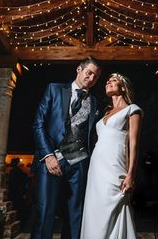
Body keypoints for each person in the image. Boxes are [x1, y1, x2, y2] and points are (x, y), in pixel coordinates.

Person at [31, 57, 102, 239]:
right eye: (89, 72)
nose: (91, 78)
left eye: (95, 76)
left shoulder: (94, 102)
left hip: (79, 163)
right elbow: (38, 124)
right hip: (51, 159)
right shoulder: (54, 89)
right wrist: (48, 156)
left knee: (74, 214)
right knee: (45, 211)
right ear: (79, 69)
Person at [80, 72, 143, 239]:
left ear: (122, 87)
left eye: (113, 81)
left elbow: (133, 144)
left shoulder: (132, 109)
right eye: (107, 81)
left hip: (115, 165)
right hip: (96, 166)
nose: (108, 83)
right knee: (95, 208)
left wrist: (131, 175)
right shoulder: (104, 114)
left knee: (115, 203)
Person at [8, 157, 30, 223]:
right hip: (17, 190)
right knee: (18, 205)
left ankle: (19, 218)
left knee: (17, 205)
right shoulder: (16, 170)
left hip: (15, 190)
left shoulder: (15, 170)